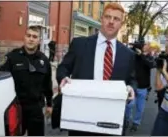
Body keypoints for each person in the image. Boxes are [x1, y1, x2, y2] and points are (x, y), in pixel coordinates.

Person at [56, 3, 136, 136]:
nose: (111, 22)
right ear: (101, 19)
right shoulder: (79, 44)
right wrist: (63, 77)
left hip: (111, 121)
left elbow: (132, 80)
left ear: (121, 24)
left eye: (116, 19)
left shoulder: (128, 54)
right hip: (81, 120)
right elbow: (63, 68)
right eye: (107, 17)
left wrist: (131, 88)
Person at [0, 25, 53, 136]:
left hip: (36, 108)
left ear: (39, 40)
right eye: (28, 36)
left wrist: (49, 104)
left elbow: (47, 84)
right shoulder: (12, 57)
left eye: (34, 36)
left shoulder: (44, 60)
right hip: (16, 107)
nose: (31, 39)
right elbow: (1, 80)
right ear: (24, 37)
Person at [125, 41, 156, 132]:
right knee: (129, 105)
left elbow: (152, 65)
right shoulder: (133, 55)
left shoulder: (149, 56)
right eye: (146, 44)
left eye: (148, 44)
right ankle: (127, 120)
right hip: (132, 86)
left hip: (143, 86)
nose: (148, 46)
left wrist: (142, 55)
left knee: (140, 107)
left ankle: (136, 123)